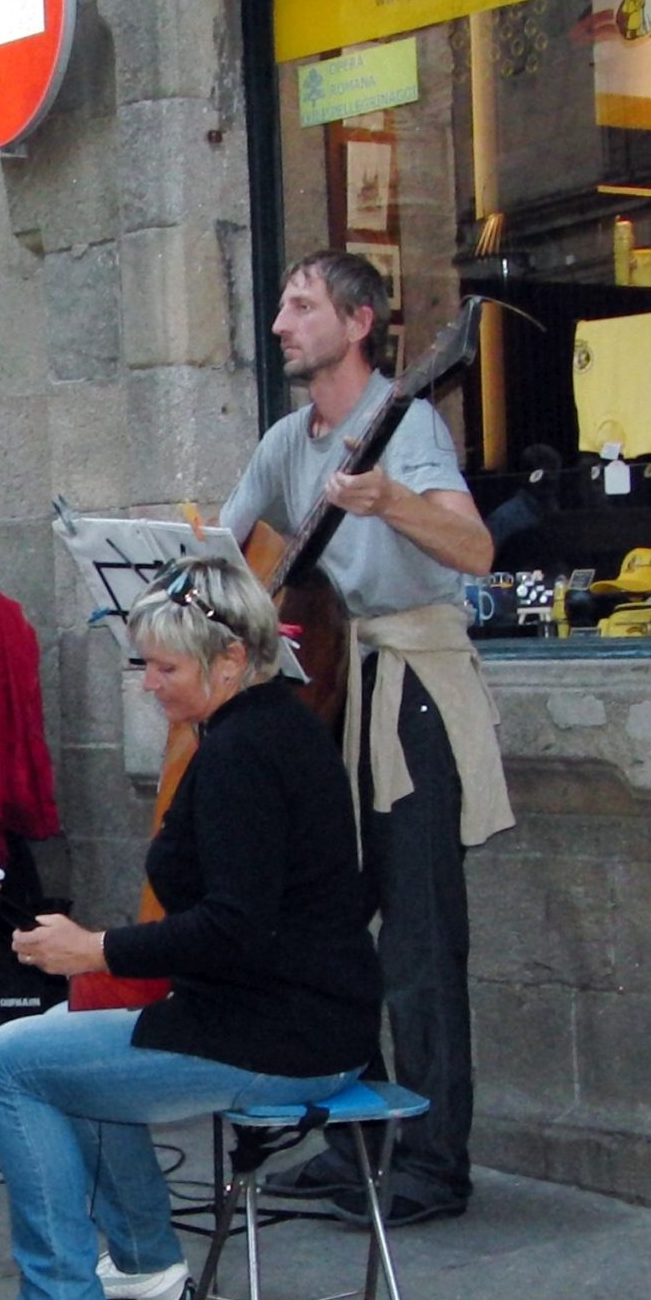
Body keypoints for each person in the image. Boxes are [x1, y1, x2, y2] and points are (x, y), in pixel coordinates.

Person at [0, 553, 382, 1300]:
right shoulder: (275, 725)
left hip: (279, 1035)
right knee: (66, 1034)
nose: (150, 684)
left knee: (8, 1062)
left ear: (230, 659)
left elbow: (233, 929)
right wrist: (102, 963)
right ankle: (144, 1259)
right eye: (145, 666)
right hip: (305, 1018)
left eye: (165, 668)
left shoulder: (240, 754)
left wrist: (95, 948)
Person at [222, 251, 515, 1228]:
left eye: (301, 305)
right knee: (327, 930)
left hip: (412, 689)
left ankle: (433, 1164)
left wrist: (390, 499)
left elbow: (475, 549)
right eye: (281, 304)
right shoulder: (284, 442)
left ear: (357, 323)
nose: (280, 323)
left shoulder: (410, 421)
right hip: (337, 693)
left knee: (420, 936)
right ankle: (355, 1146)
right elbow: (225, 555)